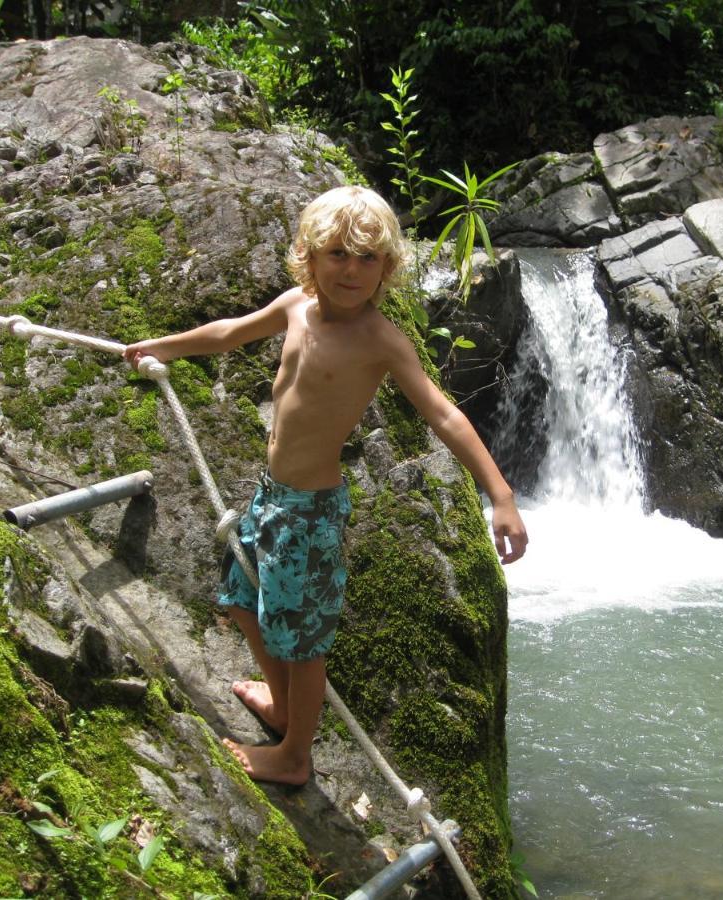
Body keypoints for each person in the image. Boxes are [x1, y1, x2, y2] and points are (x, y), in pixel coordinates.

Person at [123, 185, 528, 786]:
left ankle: (294, 756)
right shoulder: (294, 305)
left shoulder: (380, 341)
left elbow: (444, 414)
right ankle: (284, 710)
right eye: (337, 253)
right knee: (242, 600)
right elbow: (231, 332)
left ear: (387, 268)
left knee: (302, 642)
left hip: (310, 514)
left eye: (368, 258)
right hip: (270, 496)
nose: (351, 269)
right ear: (308, 257)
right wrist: (165, 348)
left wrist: (501, 496)